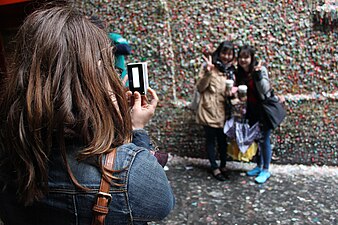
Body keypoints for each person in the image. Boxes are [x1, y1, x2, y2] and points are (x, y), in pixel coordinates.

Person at [0, 5, 174, 225]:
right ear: (95, 81)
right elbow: (162, 202)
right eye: (107, 70)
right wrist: (136, 129)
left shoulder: (9, 157)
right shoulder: (129, 172)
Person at [235, 45, 284, 184]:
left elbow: (265, 89)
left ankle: (266, 169)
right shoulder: (241, 73)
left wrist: (258, 75)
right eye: (241, 57)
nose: (243, 60)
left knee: (265, 139)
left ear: (251, 58)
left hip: (264, 110)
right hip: (251, 110)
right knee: (257, 139)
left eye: (246, 57)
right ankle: (258, 165)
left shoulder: (260, 70)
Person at [195, 41, 236, 181]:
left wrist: (234, 95)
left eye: (229, 54)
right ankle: (214, 167)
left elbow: (234, 91)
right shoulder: (209, 67)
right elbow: (200, 88)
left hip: (225, 111)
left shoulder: (231, 71)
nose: (226, 56)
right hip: (210, 111)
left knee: (223, 141)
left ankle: (223, 165)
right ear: (219, 53)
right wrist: (207, 73)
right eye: (224, 53)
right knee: (211, 140)